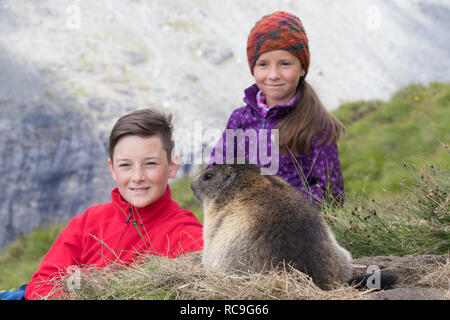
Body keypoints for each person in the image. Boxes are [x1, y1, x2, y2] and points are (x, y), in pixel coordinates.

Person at [23, 109, 203, 300]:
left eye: (150, 163)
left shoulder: (188, 236)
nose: (137, 177)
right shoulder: (87, 223)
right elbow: (41, 284)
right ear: (112, 169)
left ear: (172, 167)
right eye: (125, 165)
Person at [207, 11, 345, 205]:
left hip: (292, 230)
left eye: (285, 64)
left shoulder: (317, 125)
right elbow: (214, 170)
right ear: (252, 68)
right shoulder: (239, 119)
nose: (273, 74)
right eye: (263, 64)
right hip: (241, 224)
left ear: (302, 68)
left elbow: (332, 194)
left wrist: (277, 204)